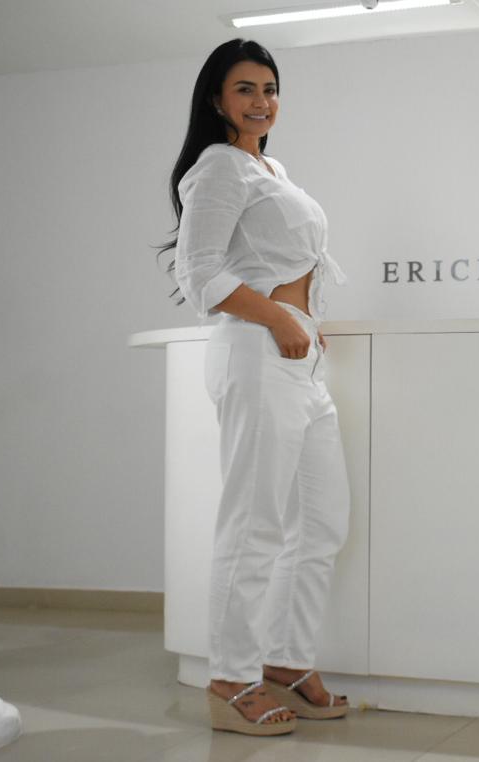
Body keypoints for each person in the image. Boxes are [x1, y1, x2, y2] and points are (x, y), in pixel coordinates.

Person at [159, 38, 352, 736]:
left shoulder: (270, 167)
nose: (261, 100)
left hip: (298, 358)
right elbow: (200, 273)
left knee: (323, 522)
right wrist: (276, 316)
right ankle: (231, 676)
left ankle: (286, 660)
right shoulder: (217, 167)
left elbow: (283, 262)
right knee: (255, 522)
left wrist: (305, 321)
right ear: (217, 99)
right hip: (256, 353)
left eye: (269, 88)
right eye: (245, 88)